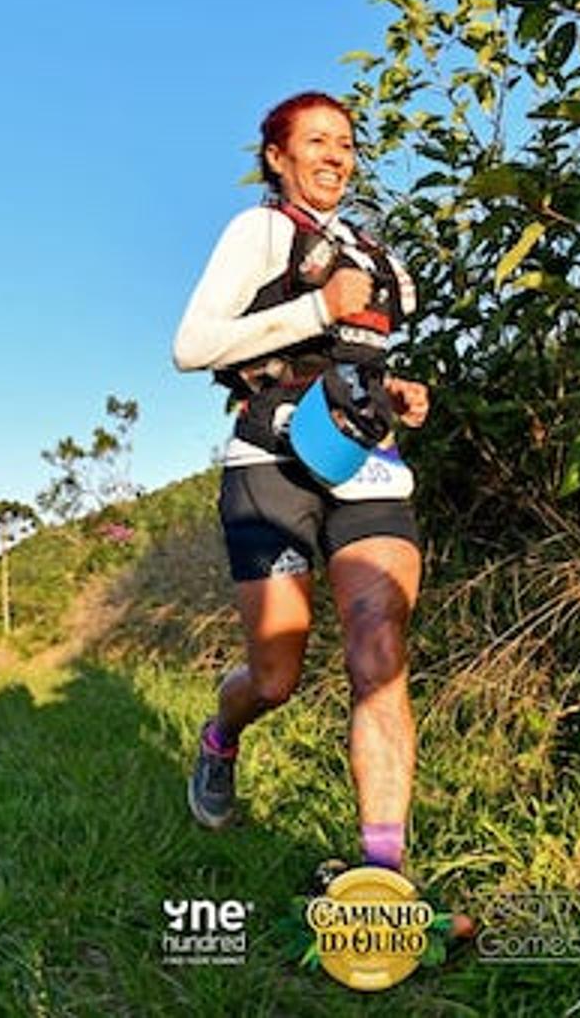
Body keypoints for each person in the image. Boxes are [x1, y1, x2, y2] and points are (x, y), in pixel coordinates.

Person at [172, 90, 431, 876]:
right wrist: (316, 305)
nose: (334, 156)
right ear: (277, 157)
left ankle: (379, 874)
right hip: (270, 462)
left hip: (366, 462)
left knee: (378, 649)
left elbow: (349, 363)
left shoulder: (377, 257)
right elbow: (192, 346)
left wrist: (394, 393)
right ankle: (222, 738)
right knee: (278, 676)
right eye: (315, 142)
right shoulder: (259, 232)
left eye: (345, 144)